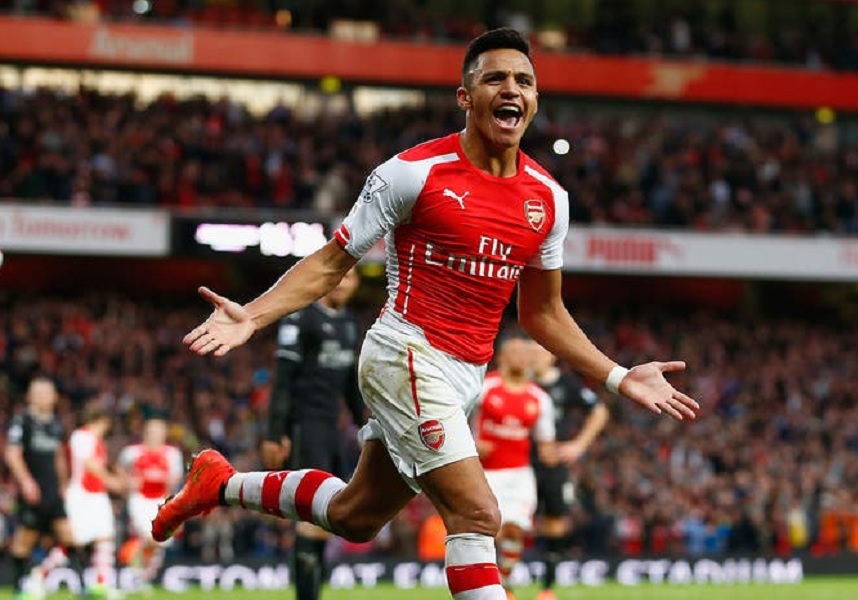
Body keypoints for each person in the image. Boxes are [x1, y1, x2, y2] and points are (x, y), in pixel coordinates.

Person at [153, 27, 699, 600]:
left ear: (535, 100)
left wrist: (618, 376)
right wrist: (253, 315)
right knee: (478, 514)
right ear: (465, 96)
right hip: (405, 353)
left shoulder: (548, 200)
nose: (511, 89)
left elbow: (543, 313)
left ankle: (219, 484)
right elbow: (333, 262)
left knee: (355, 516)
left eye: (524, 81)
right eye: (494, 78)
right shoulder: (413, 172)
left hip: (465, 375)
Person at [261, 267, 365, 600]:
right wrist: (275, 433)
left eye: (350, 277)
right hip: (304, 427)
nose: (343, 283)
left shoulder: (348, 324)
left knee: (327, 516)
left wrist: (367, 428)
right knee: (311, 516)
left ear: (356, 284)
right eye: (339, 276)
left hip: (331, 430)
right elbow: (283, 380)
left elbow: (350, 386)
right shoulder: (301, 318)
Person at [473, 335, 556, 600]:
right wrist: (472, 442)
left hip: (520, 473)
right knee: (489, 531)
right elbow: (456, 415)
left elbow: (546, 441)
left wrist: (566, 451)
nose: (522, 357)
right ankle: (485, 585)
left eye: (524, 353)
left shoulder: (539, 398)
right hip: (485, 472)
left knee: (514, 530)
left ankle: (505, 584)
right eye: (515, 352)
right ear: (502, 357)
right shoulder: (485, 387)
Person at [529, 341, 609, 600]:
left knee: (555, 522)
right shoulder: (521, 383)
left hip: (554, 465)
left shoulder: (566, 384)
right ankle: (504, 584)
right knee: (510, 522)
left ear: (551, 356)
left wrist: (579, 445)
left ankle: (547, 587)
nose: (534, 358)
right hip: (520, 463)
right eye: (531, 353)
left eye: (539, 352)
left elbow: (599, 411)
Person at [4, 375, 87, 600]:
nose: (42, 397)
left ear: (54, 397)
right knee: (24, 542)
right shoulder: (22, 422)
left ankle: (82, 588)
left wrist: (63, 483)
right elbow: (12, 454)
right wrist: (26, 482)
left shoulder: (55, 424)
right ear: (30, 396)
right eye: (38, 393)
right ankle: (18, 588)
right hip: (33, 491)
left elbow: (59, 456)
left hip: (53, 491)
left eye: (46, 393)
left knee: (69, 536)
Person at [117, 414, 183, 591]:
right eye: (152, 431)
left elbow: (176, 477)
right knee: (147, 537)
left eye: (159, 431)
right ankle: (134, 573)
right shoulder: (132, 452)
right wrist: (128, 481)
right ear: (145, 433)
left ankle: (144, 578)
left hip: (160, 500)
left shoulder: (172, 453)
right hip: (139, 499)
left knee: (158, 542)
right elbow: (119, 469)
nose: (155, 435)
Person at [66, 404, 126, 598]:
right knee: (73, 541)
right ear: (103, 421)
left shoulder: (95, 439)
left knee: (105, 537)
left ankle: (102, 584)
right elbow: (90, 464)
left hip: (97, 495)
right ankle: (38, 577)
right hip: (81, 496)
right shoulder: (81, 436)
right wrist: (111, 481)